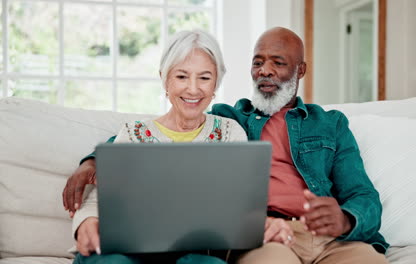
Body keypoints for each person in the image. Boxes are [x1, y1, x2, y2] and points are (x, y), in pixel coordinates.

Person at [64, 27, 389, 264]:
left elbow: (364, 195)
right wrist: (93, 162)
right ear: (164, 78)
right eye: (258, 61)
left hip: (327, 237)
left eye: (278, 62)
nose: (266, 70)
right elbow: (138, 147)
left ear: (300, 69)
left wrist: (346, 219)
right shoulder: (232, 118)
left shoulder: (327, 124)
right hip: (268, 236)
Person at [70, 30, 247, 264]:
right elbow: (99, 199)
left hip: (194, 253)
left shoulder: (230, 133)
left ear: (216, 82)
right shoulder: (133, 134)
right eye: (182, 77)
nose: (193, 89)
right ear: (165, 78)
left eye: (204, 78)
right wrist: (87, 222)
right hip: (129, 250)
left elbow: (239, 203)